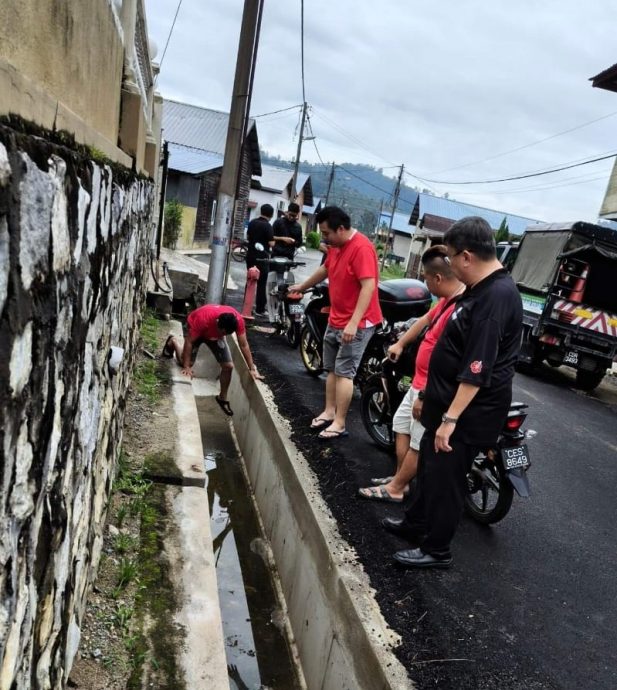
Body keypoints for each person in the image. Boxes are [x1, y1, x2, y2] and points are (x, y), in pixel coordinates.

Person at [383, 216, 523, 568]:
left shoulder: (496, 298)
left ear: (465, 256)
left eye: (450, 258)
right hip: (443, 403)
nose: (448, 266)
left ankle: (437, 550)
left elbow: (477, 370)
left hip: (466, 415)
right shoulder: (479, 289)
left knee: (446, 480)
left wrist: (449, 420)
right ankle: (416, 524)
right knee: (429, 470)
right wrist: (430, 395)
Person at [358, 245, 465, 502]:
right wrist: (401, 343)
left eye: (426, 279)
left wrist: (426, 395)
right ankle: (400, 479)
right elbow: (424, 320)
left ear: (437, 278)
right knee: (400, 425)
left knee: (419, 442)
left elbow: (449, 361)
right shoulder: (445, 301)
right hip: (418, 383)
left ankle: (396, 489)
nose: (425, 284)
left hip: (429, 388)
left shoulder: (458, 311)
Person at [290, 206, 382, 440]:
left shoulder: (362, 248)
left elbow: (368, 287)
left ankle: (340, 422)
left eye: (326, 233)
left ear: (341, 229)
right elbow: (325, 268)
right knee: (331, 367)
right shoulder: (336, 247)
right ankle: (329, 412)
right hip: (337, 316)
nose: (324, 238)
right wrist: (302, 286)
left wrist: (353, 322)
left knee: (344, 373)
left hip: (357, 323)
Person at [162, 304, 263, 416]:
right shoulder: (202, 320)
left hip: (214, 337)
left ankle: (222, 398)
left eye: (226, 334)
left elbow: (244, 345)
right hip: (198, 331)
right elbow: (189, 342)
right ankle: (173, 341)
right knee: (185, 362)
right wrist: (187, 367)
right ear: (217, 322)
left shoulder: (237, 321)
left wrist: (252, 368)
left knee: (228, 366)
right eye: (222, 332)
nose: (223, 335)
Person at [246, 203, 274, 317]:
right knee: (262, 283)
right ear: (271, 215)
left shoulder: (252, 222)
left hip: (250, 255)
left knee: (249, 280)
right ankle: (260, 309)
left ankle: (246, 305)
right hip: (262, 258)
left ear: (261, 211)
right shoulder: (268, 226)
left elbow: (248, 237)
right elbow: (271, 243)